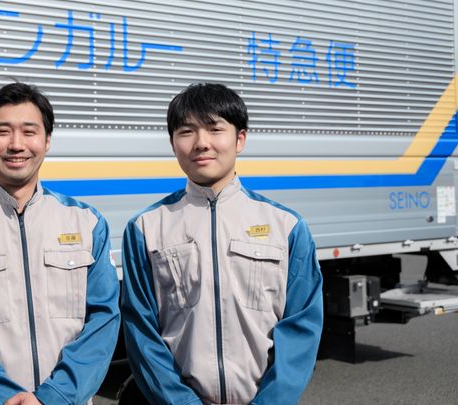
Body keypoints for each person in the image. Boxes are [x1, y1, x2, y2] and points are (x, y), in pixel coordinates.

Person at [121, 82, 323, 405]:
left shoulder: (286, 227)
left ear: (240, 139)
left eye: (215, 129)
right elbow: (141, 332)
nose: (202, 143)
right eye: (187, 132)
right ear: (173, 143)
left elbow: (301, 328)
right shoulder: (145, 229)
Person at [0, 82, 120, 405]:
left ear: (47, 141)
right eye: (2, 132)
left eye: (29, 132)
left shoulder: (87, 222)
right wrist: (2, 397)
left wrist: (54, 396)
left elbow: (103, 320)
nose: (16, 145)